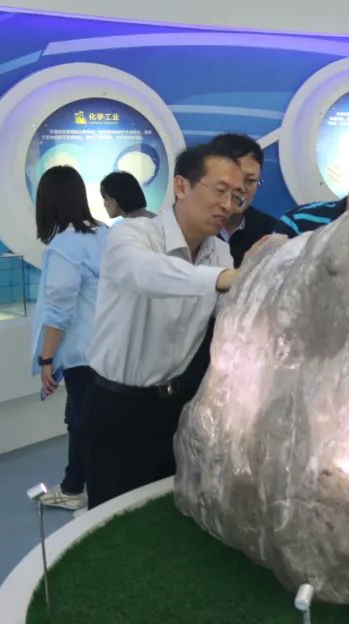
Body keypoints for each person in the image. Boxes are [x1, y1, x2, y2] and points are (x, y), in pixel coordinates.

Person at [84, 144, 255, 509]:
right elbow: (147, 273)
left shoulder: (218, 252)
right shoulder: (133, 236)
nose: (228, 205)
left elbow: (232, 319)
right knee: (114, 514)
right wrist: (223, 279)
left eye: (237, 196)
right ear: (181, 186)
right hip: (118, 406)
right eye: (220, 191)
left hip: (177, 405)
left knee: (171, 507)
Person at [30, 166, 109, 511]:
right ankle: (85, 484)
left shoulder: (65, 246)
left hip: (82, 352)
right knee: (88, 419)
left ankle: (76, 489)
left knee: (81, 422)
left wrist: (46, 359)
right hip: (109, 347)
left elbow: (59, 309)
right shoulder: (104, 234)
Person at [208, 133, 279, 267]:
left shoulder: (271, 232)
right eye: (232, 177)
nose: (241, 188)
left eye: (250, 180)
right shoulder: (191, 229)